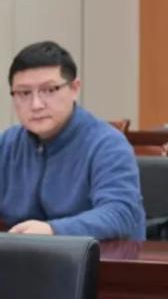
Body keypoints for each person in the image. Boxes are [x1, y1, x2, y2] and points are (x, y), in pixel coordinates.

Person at [0, 41, 145, 240]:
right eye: (24, 93)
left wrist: (53, 230)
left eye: (49, 90)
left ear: (74, 88)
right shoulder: (7, 144)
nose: (36, 104)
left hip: (100, 256)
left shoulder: (107, 144)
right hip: (25, 255)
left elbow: (120, 213)